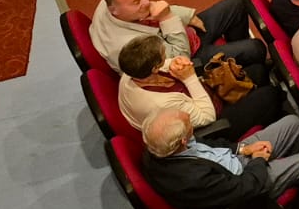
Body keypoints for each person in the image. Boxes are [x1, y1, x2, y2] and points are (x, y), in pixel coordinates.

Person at [142, 107, 299, 209]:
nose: (189, 116)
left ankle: (289, 175)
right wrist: (258, 160)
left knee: (293, 123)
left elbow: (209, 145)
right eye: (188, 123)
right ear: (183, 141)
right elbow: (244, 189)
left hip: (232, 161)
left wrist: (243, 149)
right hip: (248, 182)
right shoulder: (194, 179)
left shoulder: (161, 144)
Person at [91, 0, 267, 79]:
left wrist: (186, 15)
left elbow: (155, 8)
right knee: (255, 48)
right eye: (137, 2)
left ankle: (236, 63)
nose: (147, 3)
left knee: (236, 4)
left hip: (176, 35)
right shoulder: (133, 48)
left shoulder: (112, 1)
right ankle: (244, 67)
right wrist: (168, 17)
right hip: (183, 60)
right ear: (114, 10)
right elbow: (181, 60)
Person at [117, 32, 283, 138]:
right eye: (163, 55)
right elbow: (207, 117)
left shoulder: (133, 70)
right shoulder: (160, 103)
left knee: (258, 71)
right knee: (271, 95)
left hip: (202, 93)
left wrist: (176, 62)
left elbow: (166, 64)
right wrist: (190, 78)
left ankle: (263, 111)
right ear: (154, 68)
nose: (166, 56)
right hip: (210, 123)